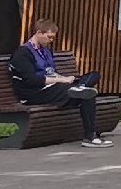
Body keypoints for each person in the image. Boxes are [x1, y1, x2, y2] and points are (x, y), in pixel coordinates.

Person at [10, 18, 109, 148]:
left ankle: (80, 87)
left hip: (53, 88)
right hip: (35, 93)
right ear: (39, 33)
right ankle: (90, 137)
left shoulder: (46, 50)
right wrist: (61, 80)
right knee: (86, 94)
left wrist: (64, 78)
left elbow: (52, 72)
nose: (51, 40)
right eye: (49, 37)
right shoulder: (22, 53)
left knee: (94, 76)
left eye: (53, 38)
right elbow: (32, 80)